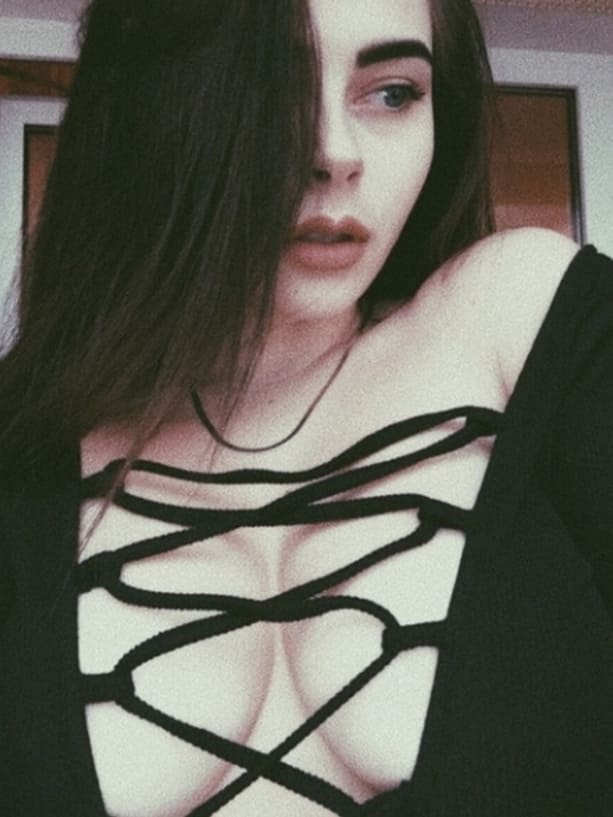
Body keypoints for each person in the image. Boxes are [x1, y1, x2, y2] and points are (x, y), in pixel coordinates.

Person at [1, 0, 612, 815]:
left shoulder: (518, 322)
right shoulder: (24, 445)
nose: (334, 153)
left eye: (392, 93)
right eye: (269, 88)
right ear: (148, 103)